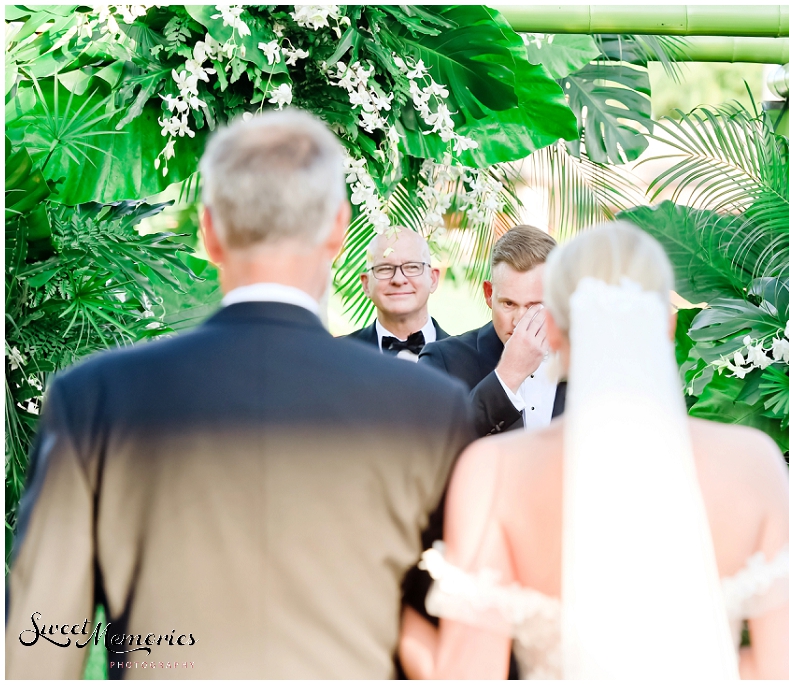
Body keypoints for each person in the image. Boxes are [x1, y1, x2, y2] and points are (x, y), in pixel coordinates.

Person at [5, 110, 474, 679]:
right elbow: (454, 646)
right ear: (336, 229)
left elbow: (38, 653)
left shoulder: (93, 397)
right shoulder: (427, 406)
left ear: (208, 231)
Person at [397, 222, 789, 679]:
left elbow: (469, 674)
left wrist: (401, 626)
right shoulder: (753, 464)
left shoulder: (493, 473)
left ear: (556, 330)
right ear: (668, 323)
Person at [420, 225, 565, 437]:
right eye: (508, 303)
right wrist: (508, 376)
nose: (519, 321)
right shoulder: (442, 360)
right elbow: (432, 447)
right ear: (489, 294)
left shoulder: (587, 362)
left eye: (535, 305)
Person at [347, 227, 449, 360]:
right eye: (385, 269)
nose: (398, 280)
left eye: (412, 267)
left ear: (433, 279)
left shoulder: (467, 359)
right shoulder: (337, 357)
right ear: (366, 284)